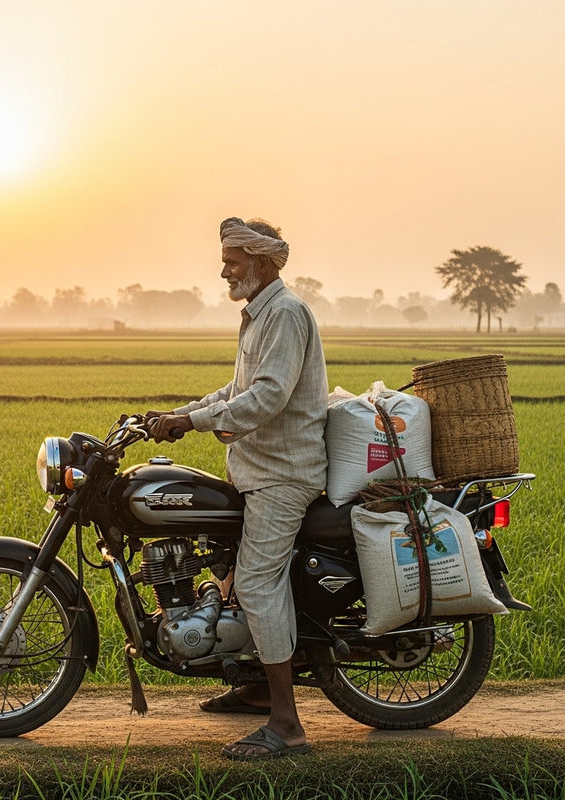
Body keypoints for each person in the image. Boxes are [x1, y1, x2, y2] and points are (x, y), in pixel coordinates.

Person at [148, 216, 328, 760]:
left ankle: (287, 724)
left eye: (232, 259)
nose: (223, 269)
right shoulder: (259, 315)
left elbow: (268, 396)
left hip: (283, 474)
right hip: (253, 467)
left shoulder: (287, 314)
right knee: (223, 566)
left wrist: (196, 423)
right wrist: (181, 412)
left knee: (255, 584)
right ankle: (252, 688)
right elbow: (238, 387)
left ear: (263, 261)